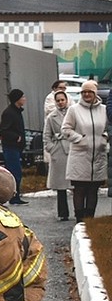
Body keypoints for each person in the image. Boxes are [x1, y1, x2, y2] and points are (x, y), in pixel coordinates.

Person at [62, 80, 109, 221]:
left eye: (90, 92)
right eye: (84, 92)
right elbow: (65, 129)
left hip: (98, 157)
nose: (87, 94)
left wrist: (104, 138)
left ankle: (90, 220)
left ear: (95, 93)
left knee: (93, 190)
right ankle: (79, 220)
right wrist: (80, 139)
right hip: (80, 156)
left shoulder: (104, 109)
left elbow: (107, 128)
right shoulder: (74, 110)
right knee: (80, 189)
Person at [43, 89, 71, 220]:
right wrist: (51, 148)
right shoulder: (51, 117)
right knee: (61, 186)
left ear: (66, 100)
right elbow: (46, 135)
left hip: (73, 149)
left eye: (62, 100)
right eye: (58, 100)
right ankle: (63, 213)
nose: (60, 102)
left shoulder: (73, 113)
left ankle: (80, 211)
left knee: (77, 184)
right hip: (59, 151)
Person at [0, 88, 28, 205]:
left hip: (17, 147)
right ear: (17, 99)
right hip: (11, 147)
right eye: (22, 97)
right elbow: (3, 130)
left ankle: (16, 195)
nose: (24, 99)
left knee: (17, 172)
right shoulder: (9, 113)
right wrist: (16, 137)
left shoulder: (17, 111)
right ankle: (13, 197)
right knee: (14, 172)